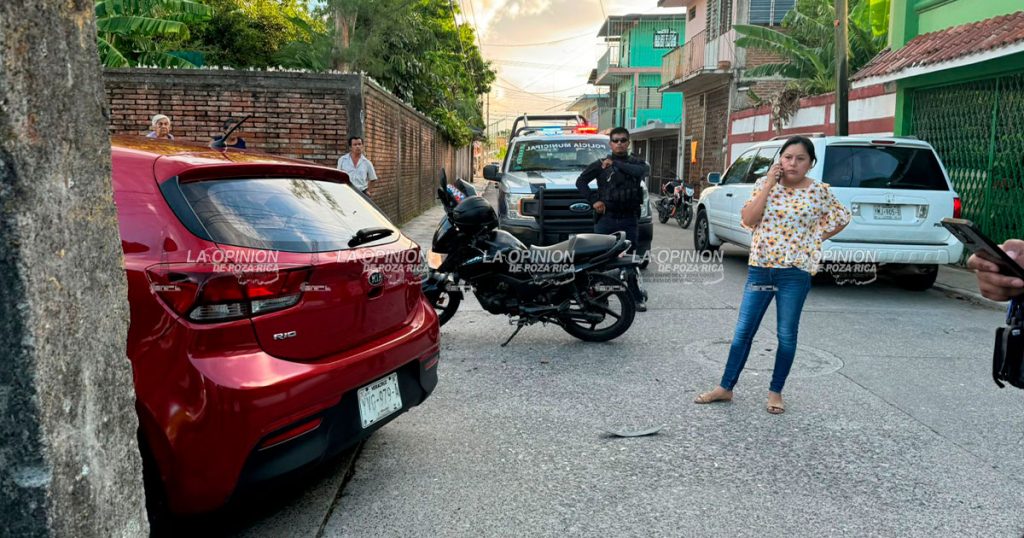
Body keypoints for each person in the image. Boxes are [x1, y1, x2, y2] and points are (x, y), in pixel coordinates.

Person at [694, 136, 851, 414]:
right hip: (760, 271)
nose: (793, 163)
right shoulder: (763, 186)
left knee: (786, 336)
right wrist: (768, 183)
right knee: (743, 332)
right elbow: (749, 219)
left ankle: (775, 391)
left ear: (810, 163)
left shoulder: (819, 192)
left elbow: (841, 218)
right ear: (780, 159)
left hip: (794, 274)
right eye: (788, 157)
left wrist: (814, 240)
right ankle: (725, 387)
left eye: (800, 158)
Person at [575, 126, 650, 311]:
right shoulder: (601, 164)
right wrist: (594, 200)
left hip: (628, 220)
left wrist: (615, 164)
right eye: (615, 140)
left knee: (630, 262)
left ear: (628, 142)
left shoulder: (638, 164)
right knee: (597, 263)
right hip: (606, 220)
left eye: (623, 140)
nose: (619, 144)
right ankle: (596, 297)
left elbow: (639, 172)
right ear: (610, 143)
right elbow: (581, 182)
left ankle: (635, 297)